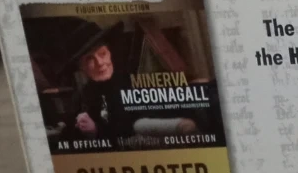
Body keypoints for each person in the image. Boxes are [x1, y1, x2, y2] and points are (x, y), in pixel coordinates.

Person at [66, 21, 208, 147]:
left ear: (109, 53)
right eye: (90, 59)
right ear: (80, 66)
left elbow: (137, 122)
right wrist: (90, 131)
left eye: (103, 54)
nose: (100, 63)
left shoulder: (131, 80)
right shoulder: (83, 97)